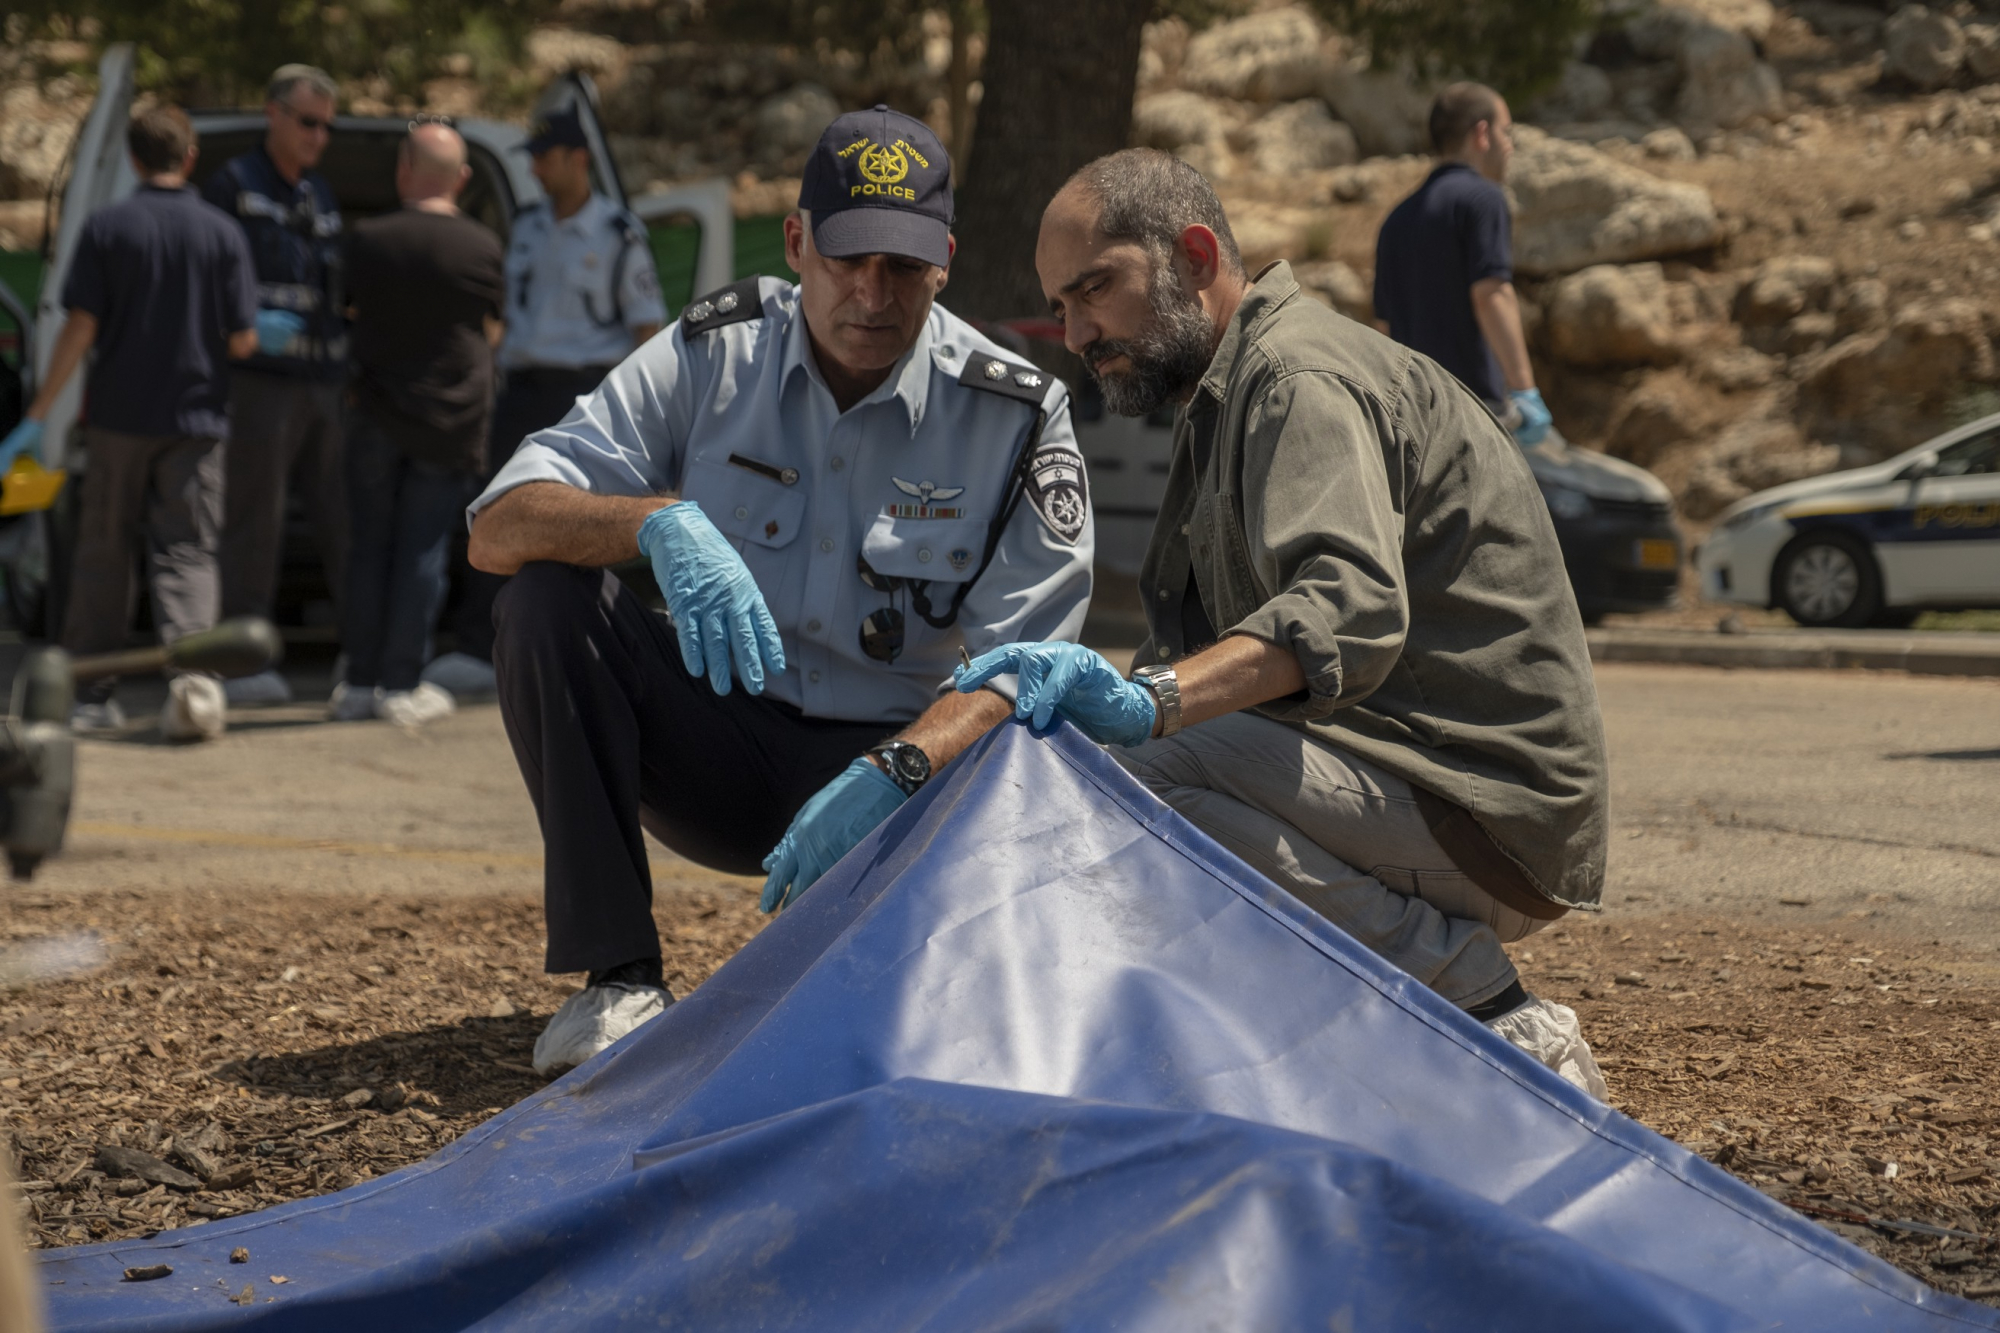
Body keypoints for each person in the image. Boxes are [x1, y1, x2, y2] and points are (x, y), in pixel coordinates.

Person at [959, 148, 1609, 1095]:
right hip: (1404, 775)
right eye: (1060, 307)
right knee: (1097, 777)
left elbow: (1345, 610)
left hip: (1484, 806)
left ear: (1191, 254)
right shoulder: (1223, 398)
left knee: (1135, 780)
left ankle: (1493, 1015)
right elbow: (1194, 649)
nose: (1076, 332)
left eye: (1095, 289)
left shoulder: (1297, 379)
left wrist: (1149, 703)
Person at [466, 106, 1094, 1076]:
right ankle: (617, 979)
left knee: (874, 1036)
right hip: (711, 732)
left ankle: (966, 970)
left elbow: (1035, 666)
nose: (871, 294)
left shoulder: (1014, 412)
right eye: (846, 258)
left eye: (901, 266)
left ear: (945, 265)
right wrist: (648, 523)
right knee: (544, 599)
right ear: (797, 242)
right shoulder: (714, 350)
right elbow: (496, 523)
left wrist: (900, 768)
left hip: (894, 776)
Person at [0, 106, 256, 739]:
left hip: (118, 418)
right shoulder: (223, 233)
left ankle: (89, 692)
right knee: (188, 551)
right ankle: (195, 685)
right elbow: (244, 340)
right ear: (190, 157)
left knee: (104, 550)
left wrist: (36, 415)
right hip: (196, 420)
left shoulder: (108, 227)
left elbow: (80, 327)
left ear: (135, 160)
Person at [419, 105, 664, 703]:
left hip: (582, 391)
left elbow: (648, 334)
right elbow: (506, 315)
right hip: (522, 389)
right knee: (497, 511)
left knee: (584, 523)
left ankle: (591, 643)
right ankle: (482, 647)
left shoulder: (618, 235)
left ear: (578, 159)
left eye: (544, 157)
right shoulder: (526, 226)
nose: (534, 168)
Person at [332, 119, 504, 728]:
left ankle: (358, 682)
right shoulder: (482, 247)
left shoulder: (367, 240)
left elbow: (344, 313)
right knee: (422, 552)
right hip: (447, 424)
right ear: (460, 178)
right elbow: (494, 329)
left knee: (368, 549)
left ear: (404, 170)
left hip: (375, 414)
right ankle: (403, 682)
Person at [204, 63, 349, 707]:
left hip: (327, 384)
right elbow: (201, 280)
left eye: (326, 126)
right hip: (259, 382)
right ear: (273, 114)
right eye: (307, 121)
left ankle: (363, 655)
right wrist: (242, 325)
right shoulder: (233, 186)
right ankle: (243, 660)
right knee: (252, 523)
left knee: (345, 520)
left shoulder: (321, 195)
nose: (318, 136)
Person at [1372, 82, 1552, 448]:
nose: (1510, 145)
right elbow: (1492, 294)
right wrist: (1523, 390)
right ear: (1482, 133)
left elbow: (1382, 328)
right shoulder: (1483, 199)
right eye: (1507, 132)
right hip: (1473, 413)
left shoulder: (1395, 220)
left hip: (1413, 422)